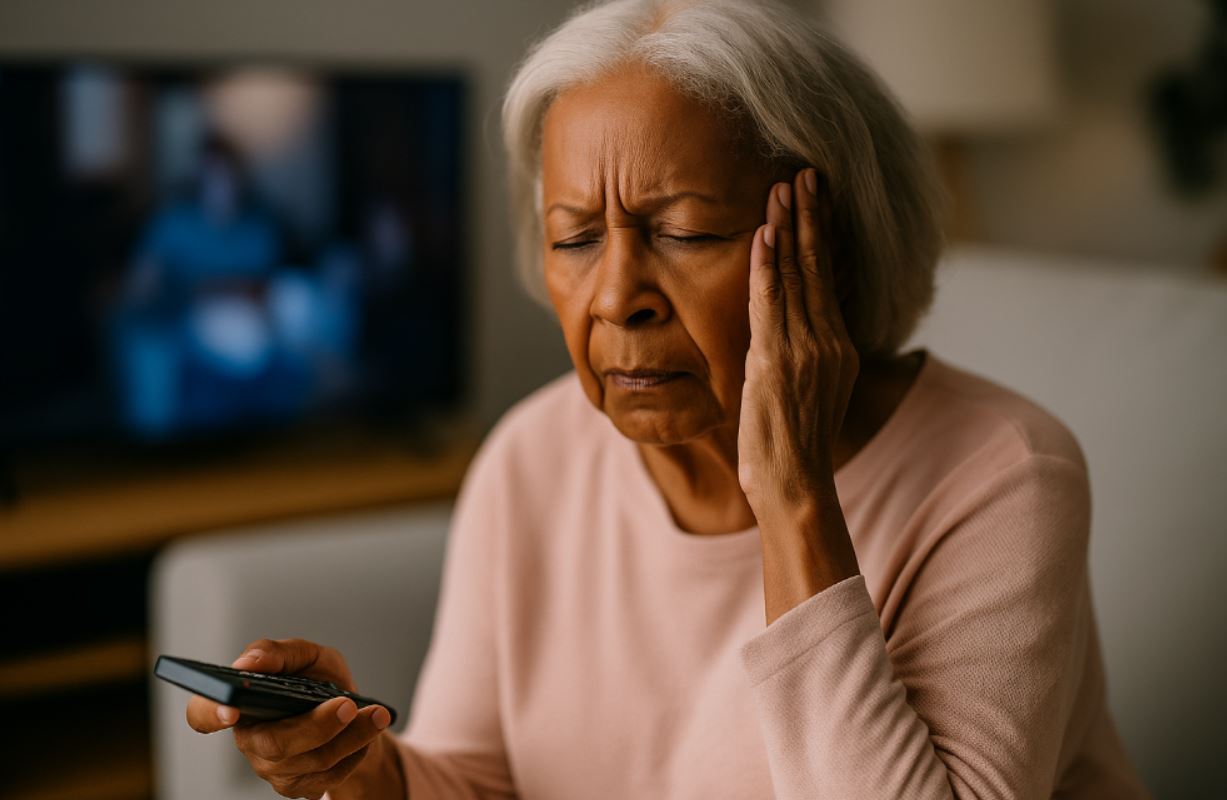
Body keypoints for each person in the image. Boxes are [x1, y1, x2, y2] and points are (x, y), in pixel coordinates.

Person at [184, 1, 1150, 797]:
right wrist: (363, 772)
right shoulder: (531, 457)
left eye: (684, 232)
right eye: (574, 238)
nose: (615, 297)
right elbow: (478, 779)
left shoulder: (1001, 474)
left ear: (837, 250)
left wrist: (793, 500)